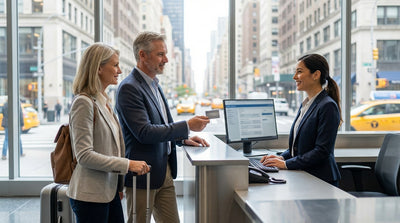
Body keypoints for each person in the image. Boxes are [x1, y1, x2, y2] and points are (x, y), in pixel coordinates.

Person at [116, 31, 210, 223]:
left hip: (163, 172)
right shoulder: (129, 88)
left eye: (165, 54)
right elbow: (144, 132)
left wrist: (183, 139)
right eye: (160, 54)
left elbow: (162, 125)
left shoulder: (155, 85)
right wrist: (187, 125)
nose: (166, 59)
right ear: (142, 55)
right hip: (142, 176)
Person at [66, 42, 150, 223]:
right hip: (90, 196)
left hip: (109, 192)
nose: (119, 71)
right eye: (115, 65)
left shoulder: (103, 101)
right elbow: (84, 155)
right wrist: (127, 165)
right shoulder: (83, 103)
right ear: (98, 68)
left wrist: (118, 185)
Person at [260, 54, 342, 186]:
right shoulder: (306, 104)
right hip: (304, 176)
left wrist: (285, 164)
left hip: (320, 180)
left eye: (299, 72)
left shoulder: (327, 106)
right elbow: (300, 147)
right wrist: (282, 157)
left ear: (316, 75)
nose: (294, 77)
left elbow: (322, 151)